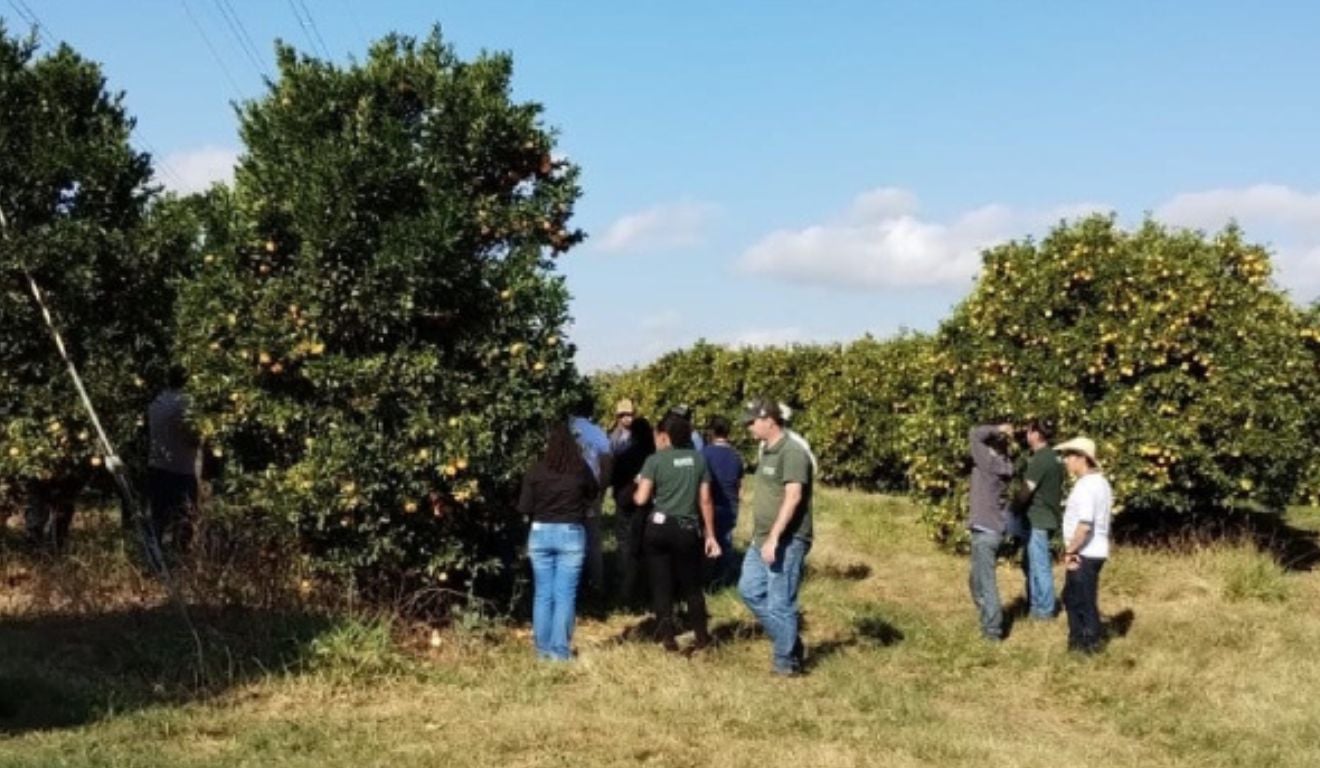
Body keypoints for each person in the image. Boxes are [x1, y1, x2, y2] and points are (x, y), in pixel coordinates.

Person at [738, 398, 814, 676]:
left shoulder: (792, 452)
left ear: (769, 420)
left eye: (752, 421)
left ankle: (785, 665)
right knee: (748, 590)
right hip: (761, 538)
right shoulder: (766, 450)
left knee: (780, 602)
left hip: (787, 539)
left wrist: (774, 537)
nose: (748, 427)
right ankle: (791, 642)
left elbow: (793, 497)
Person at [633, 412, 720, 652]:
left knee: (661, 585)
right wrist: (710, 534)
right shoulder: (698, 460)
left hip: (658, 528)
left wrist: (637, 486)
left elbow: (641, 499)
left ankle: (667, 637)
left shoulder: (655, 461)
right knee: (692, 586)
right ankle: (702, 637)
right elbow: (706, 500)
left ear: (665, 436)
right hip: (687, 528)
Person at [518, 422, 598, 661]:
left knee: (543, 593)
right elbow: (593, 492)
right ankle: (560, 651)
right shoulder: (580, 469)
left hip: (540, 533)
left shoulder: (536, 470)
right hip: (571, 533)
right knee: (565, 595)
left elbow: (524, 506)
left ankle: (542, 651)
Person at [1056, 436, 1113, 654]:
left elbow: (1085, 524)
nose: (1066, 460)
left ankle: (1087, 645)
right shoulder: (1101, 483)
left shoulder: (1086, 486)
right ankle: (1081, 643)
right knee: (1075, 597)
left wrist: (1071, 550)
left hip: (1084, 551)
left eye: (1069, 455)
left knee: (1080, 601)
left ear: (1082, 458)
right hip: (1094, 550)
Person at [967, 421, 1015, 642]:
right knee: (976, 580)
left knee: (985, 582)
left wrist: (998, 429)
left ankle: (992, 631)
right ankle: (987, 614)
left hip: (986, 532)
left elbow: (975, 434)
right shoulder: (1005, 464)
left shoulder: (988, 463)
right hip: (992, 530)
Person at [1012, 419, 1064, 621]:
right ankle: (1036, 606)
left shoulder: (1041, 459)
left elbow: (1027, 490)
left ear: (1035, 434)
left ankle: (1044, 610)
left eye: (1028, 431)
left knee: (1039, 566)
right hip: (1048, 517)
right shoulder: (1055, 458)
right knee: (1033, 564)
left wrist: (1014, 509)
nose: (1026, 435)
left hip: (1038, 520)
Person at [147, 365, 200, 553]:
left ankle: (155, 558)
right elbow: (192, 437)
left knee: (158, 518)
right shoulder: (186, 402)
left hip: (157, 466)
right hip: (181, 469)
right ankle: (180, 559)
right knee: (185, 519)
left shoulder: (157, 401)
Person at [569, 393, 612, 593]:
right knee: (593, 540)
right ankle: (597, 584)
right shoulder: (597, 432)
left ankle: (574, 586)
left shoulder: (565, 429)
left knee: (571, 538)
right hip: (591, 491)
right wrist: (601, 491)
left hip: (567, 492)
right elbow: (606, 464)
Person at [611, 416, 655, 607]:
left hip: (627, 504)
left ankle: (626, 593)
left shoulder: (625, 453)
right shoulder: (655, 456)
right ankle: (647, 591)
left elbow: (615, 479)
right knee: (647, 548)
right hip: (650, 506)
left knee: (626, 547)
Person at [701, 415, 744, 586]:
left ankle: (707, 581)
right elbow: (739, 484)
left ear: (711, 432)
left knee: (707, 542)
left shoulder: (704, 453)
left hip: (711, 503)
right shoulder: (736, 456)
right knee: (725, 543)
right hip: (730, 505)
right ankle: (723, 580)